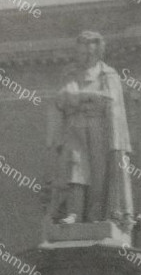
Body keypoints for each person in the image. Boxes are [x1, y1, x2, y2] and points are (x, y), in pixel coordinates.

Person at [47, 30, 134, 230]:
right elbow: (62, 98)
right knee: (74, 167)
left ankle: (97, 213)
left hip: (100, 129)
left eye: (90, 52)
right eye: (82, 52)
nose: (86, 56)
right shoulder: (70, 74)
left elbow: (110, 101)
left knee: (98, 172)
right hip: (74, 126)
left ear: (98, 52)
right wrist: (90, 96)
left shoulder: (108, 74)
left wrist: (79, 96)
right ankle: (73, 212)